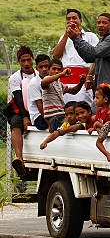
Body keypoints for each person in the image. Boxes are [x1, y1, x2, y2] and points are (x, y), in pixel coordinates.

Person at [67, 12, 110, 93]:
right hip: (103, 88)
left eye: (104, 23)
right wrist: (77, 38)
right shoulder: (103, 39)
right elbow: (89, 58)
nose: (100, 25)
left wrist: (76, 38)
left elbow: (93, 54)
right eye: (98, 22)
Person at [53, 9, 98, 104]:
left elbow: (97, 57)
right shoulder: (63, 37)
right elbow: (56, 56)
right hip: (65, 79)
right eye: (68, 19)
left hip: (83, 78)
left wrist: (90, 76)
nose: (71, 21)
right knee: (67, 110)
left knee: (82, 109)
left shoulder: (90, 36)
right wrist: (66, 35)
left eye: (74, 18)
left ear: (80, 21)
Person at [6, 45, 37, 176]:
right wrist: (25, 117)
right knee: (16, 123)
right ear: (19, 62)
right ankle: (19, 158)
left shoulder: (38, 75)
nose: (26, 63)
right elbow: (18, 99)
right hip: (21, 109)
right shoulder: (15, 78)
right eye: (23, 61)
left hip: (37, 107)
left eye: (28, 60)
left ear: (33, 59)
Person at [41, 59, 86, 130]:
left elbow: (73, 91)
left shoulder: (60, 84)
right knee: (77, 125)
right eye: (54, 69)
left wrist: (81, 83)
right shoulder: (47, 79)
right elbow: (43, 82)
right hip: (55, 118)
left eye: (59, 69)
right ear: (48, 70)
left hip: (61, 115)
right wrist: (61, 74)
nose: (56, 71)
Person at [27, 53, 50, 130]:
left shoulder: (53, 79)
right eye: (41, 67)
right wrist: (50, 124)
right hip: (39, 116)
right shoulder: (34, 83)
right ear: (36, 68)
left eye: (46, 66)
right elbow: (40, 107)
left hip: (51, 112)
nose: (44, 69)